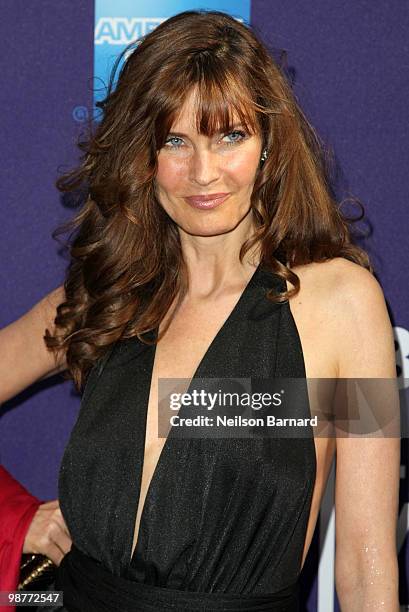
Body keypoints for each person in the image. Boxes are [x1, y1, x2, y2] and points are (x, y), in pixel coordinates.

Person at [0, 8, 400, 612]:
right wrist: (12, 520)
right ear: (144, 153)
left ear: (268, 143)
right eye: (175, 141)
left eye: (229, 136)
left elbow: (367, 571)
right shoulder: (108, 294)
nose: (202, 173)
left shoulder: (340, 307)